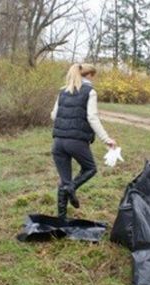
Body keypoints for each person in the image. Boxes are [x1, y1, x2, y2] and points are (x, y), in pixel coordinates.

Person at [51, 63, 117, 219]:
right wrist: (106, 139)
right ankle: (71, 188)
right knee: (90, 169)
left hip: (58, 143)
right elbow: (92, 118)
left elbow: (54, 115)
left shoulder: (63, 91)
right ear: (89, 75)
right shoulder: (90, 91)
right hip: (76, 142)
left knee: (64, 180)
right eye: (94, 76)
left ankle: (61, 218)